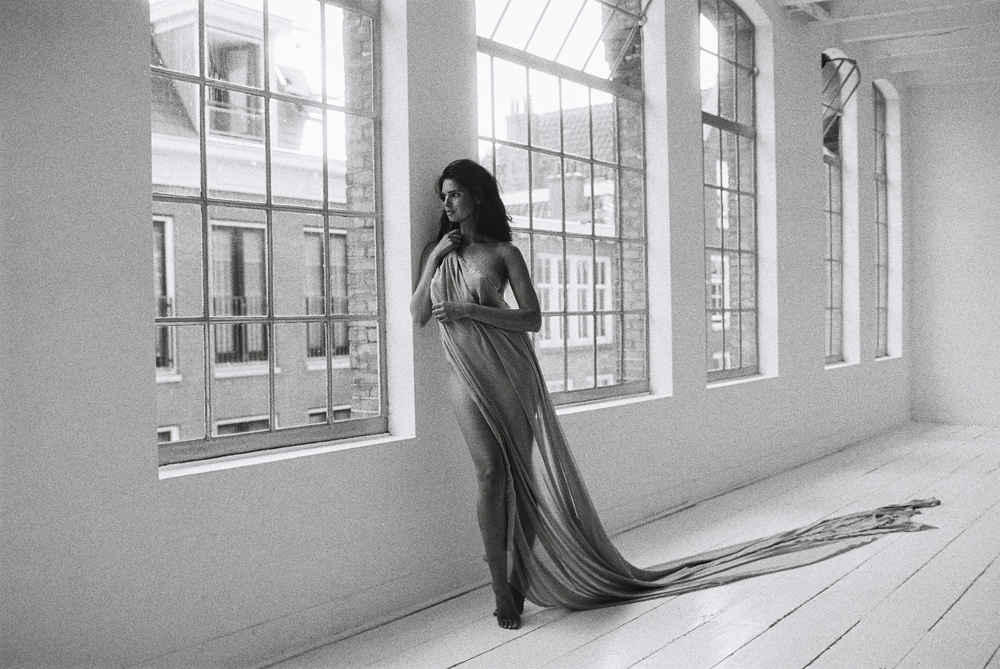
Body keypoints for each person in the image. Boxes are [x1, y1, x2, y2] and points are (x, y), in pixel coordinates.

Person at [412, 159, 939, 631]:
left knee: (524, 480)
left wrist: (471, 310)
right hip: (464, 374)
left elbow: (531, 319)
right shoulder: (438, 255)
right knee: (490, 473)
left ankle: (519, 581)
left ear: (478, 196)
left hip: (510, 373)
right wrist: (435, 256)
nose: (447, 203)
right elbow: (418, 315)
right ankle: (499, 587)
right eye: (443, 197)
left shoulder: (504, 253)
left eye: (455, 194)